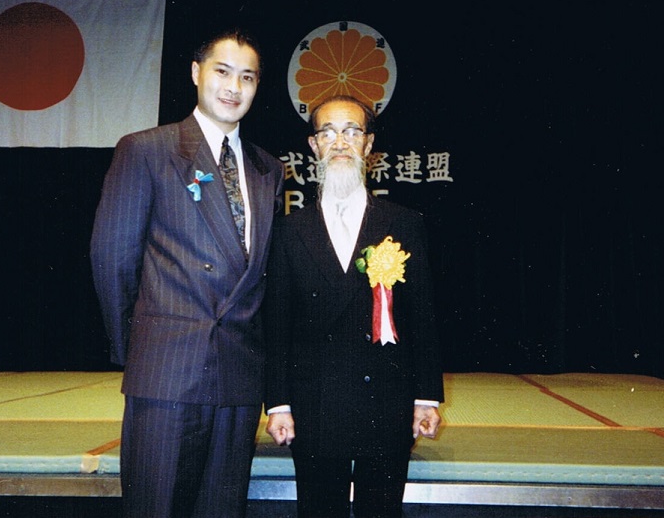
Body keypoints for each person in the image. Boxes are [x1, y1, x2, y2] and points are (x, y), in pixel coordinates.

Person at [90, 28, 285, 518]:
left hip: (240, 376)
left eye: (247, 78)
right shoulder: (148, 150)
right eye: (222, 72)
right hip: (168, 373)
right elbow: (112, 258)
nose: (233, 88)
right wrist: (139, 346)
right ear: (197, 74)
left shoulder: (269, 168)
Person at [264, 95, 444, 518]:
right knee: (317, 509)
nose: (340, 141)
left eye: (352, 131)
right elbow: (276, 325)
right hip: (314, 405)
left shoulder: (403, 223)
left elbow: (423, 317)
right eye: (328, 132)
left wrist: (427, 397)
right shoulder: (288, 231)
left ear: (368, 145)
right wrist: (278, 404)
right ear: (313, 146)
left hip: (387, 400)